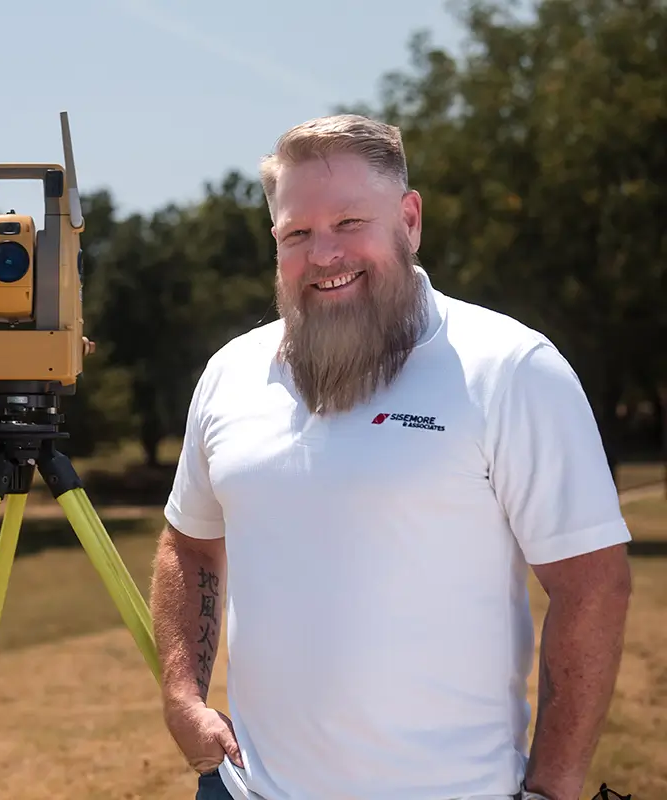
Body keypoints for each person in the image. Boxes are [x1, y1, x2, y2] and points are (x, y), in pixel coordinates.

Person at [150, 114, 633, 800]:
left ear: (409, 220)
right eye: (297, 234)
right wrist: (182, 696)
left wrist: (552, 789)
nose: (323, 254)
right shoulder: (231, 372)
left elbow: (593, 584)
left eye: (349, 223)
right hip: (248, 791)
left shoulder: (511, 368)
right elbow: (189, 545)